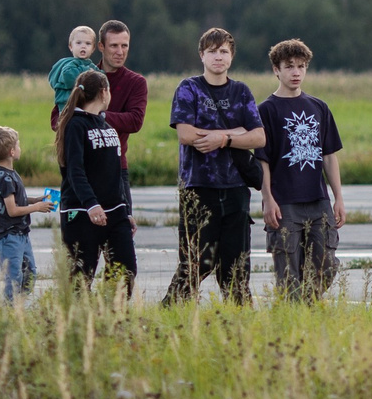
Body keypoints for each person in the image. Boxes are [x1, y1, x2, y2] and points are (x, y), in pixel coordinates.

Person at [165, 27, 265, 306]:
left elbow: (258, 136)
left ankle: (241, 319)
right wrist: (236, 133)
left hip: (235, 188)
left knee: (236, 267)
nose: (218, 57)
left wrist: (223, 138)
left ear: (231, 56)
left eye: (224, 51)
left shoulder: (241, 91)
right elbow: (185, 134)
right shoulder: (189, 88)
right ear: (202, 55)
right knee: (195, 263)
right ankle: (171, 311)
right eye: (212, 51)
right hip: (198, 187)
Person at [257, 38, 344, 302]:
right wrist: (268, 199)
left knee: (326, 266)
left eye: (301, 66)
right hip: (285, 204)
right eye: (289, 66)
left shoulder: (319, 107)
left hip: (318, 201)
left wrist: (338, 197)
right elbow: (262, 160)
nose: (296, 72)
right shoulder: (266, 110)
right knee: (288, 272)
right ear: (276, 69)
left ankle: (306, 305)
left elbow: (329, 156)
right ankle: (295, 319)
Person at [57, 67, 136, 294]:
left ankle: (109, 316)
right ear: (104, 92)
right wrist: (91, 204)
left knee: (125, 271)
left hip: (115, 213)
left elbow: (117, 173)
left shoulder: (107, 126)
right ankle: (80, 322)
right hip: (83, 213)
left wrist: (126, 210)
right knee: (81, 278)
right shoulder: (75, 125)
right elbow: (75, 170)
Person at [0, 124, 52, 299]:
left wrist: (37, 200)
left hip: (21, 233)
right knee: (13, 278)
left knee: (29, 275)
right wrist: (37, 208)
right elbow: (13, 210)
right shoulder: (5, 178)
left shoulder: (8, 173)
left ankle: (18, 308)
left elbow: (17, 201)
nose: (20, 148)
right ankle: (10, 311)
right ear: (11, 152)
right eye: (18, 145)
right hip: (9, 236)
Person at [93, 19, 149, 159]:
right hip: (81, 166)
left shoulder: (136, 82)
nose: (120, 52)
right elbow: (57, 117)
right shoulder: (83, 77)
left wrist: (98, 115)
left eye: (124, 46)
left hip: (116, 166)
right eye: (114, 46)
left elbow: (135, 121)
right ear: (101, 46)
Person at [47, 24, 98, 125]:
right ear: (71, 46)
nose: (83, 46)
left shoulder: (93, 66)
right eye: (78, 43)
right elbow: (69, 78)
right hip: (68, 108)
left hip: (84, 108)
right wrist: (88, 71)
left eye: (88, 43)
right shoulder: (69, 64)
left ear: (93, 48)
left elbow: (102, 80)